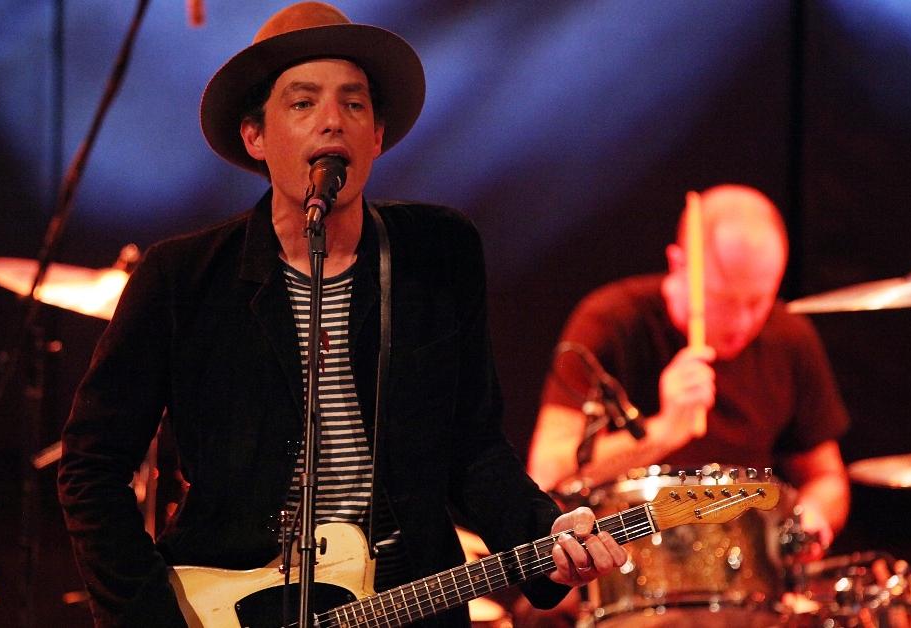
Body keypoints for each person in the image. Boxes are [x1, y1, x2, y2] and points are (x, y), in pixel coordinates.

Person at [56, 3, 626, 626]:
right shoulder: (181, 277)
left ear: (376, 135)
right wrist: (150, 616)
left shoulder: (437, 253)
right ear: (255, 137)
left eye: (354, 104)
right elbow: (92, 465)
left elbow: (475, 450)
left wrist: (547, 535)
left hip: (404, 603)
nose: (332, 121)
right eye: (303, 103)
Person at [527, 184, 850, 556]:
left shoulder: (789, 338)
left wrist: (813, 514)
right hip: (620, 569)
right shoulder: (610, 323)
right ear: (680, 265)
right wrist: (663, 431)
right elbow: (546, 475)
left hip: (744, 572)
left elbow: (825, 477)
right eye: (725, 300)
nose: (742, 322)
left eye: (758, 301)